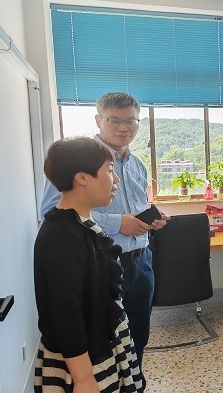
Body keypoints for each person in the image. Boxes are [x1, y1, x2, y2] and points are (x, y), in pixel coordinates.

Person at [40, 92, 168, 384]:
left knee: (137, 335)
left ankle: (132, 383)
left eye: (131, 121)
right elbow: (53, 211)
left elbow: (136, 207)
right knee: (104, 340)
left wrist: (151, 218)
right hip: (104, 263)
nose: (124, 128)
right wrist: (118, 223)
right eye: (114, 120)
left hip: (141, 261)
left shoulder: (136, 164)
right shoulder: (78, 159)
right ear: (99, 120)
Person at [34, 137, 143, 391]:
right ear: (82, 177)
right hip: (84, 363)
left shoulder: (84, 224)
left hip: (104, 345)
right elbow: (64, 313)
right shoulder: (61, 234)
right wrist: (83, 378)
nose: (116, 180)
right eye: (109, 170)